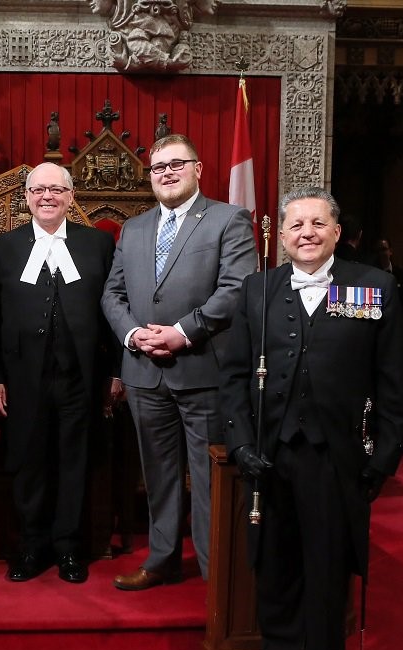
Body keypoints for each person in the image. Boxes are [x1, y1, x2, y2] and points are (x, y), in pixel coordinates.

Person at [221, 187, 403, 650]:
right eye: (297, 225)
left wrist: (383, 459)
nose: (307, 232)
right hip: (270, 458)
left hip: (335, 460)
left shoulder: (371, 288)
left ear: (337, 232)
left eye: (318, 223)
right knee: (275, 570)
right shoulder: (257, 289)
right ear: (281, 235)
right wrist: (241, 446)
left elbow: (391, 380)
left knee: (328, 575)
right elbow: (235, 376)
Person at [101, 133, 256, 589]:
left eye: (176, 164)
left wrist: (182, 332)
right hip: (144, 373)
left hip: (203, 371)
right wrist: (133, 334)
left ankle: (216, 574)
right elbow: (113, 293)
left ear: (198, 169)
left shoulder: (229, 220)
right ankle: (162, 559)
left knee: (210, 479)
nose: (166, 173)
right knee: (159, 474)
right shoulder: (134, 228)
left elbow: (236, 289)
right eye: (158, 167)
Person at [0, 162, 119, 584]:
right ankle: (30, 546)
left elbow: (113, 308)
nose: (47, 196)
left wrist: (114, 371)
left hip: (81, 376)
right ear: (26, 196)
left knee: (74, 464)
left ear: (70, 196)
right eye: (38, 189)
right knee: (29, 463)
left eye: (56, 190)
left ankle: (68, 550)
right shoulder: (2, 248)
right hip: (24, 379)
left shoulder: (97, 244)